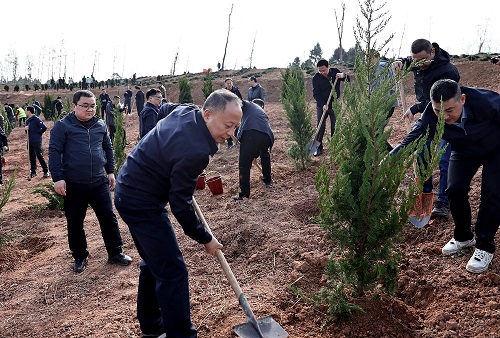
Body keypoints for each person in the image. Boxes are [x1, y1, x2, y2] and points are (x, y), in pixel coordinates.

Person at [114, 89, 242, 338]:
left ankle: (152, 327)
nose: (231, 134)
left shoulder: (187, 110)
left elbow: (164, 110)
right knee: (173, 271)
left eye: (236, 127)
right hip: (141, 202)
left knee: (154, 263)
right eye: (228, 125)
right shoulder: (195, 151)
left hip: (129, 185)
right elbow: (180, 204)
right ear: (207, 114)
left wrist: (171, 164)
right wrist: (205, 238)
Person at [390, 79, 500, 274]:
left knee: (492, 193)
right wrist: (389, 160)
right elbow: (413, 137)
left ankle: (484, 246)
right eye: (438, 110)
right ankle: (463, 237)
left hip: (495, 149)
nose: (444, 116)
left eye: (449, 110)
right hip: (463, 150)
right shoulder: (432, 115)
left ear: (462, 99)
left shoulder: (486, 101)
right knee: (454, 189)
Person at [48, 89, 132, 273]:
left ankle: (115, 252)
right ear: (74, 106)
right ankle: (80, 256)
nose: (89, 109)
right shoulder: (63, 126)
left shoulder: (100, 125)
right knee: (75, 222)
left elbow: (107, 148)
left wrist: (110, 171)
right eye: (84, 106)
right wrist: (58, 178)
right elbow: (54, 152)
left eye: (93, 106)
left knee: (108, 218)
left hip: (98, 182)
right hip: (74, 184)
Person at [392, 39, 460, 217]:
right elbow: (409, 60)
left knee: (445, 161)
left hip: (447, 117)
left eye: (421, 60)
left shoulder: (447, 71)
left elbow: (438, 101)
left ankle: (444, 203)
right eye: (415, 60)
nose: (418, 64)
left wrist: (415, 108)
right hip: (428, 116)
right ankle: (425, 194)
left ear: (432, 51)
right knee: (422, 155)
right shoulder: (419, 61)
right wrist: (400, 62)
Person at [233, 100, 274, 200]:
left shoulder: (243, 104)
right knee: (264, 155)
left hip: (252, 135)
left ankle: (244, 193)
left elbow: (240, 130)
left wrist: (246, 151)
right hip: (266, 135)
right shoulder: (257, 110)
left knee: (244, 164)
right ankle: (268, 181)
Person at [312, 59, 350, 156]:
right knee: (320, 126)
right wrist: (323, 104)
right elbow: (316, 94)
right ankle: (318, 147)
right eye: (320, 70)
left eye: (324, 70)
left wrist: (343, 75)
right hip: (322, 105)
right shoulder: (316, 78)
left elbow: (348, 79)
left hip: (334, 104)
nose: (322, 72)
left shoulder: (335, 72)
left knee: (335, 125)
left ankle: (335, 146)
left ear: (328, 67)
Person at [25, 106, 49, 179]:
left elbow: (44, 127)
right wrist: (26, 129)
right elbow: (27, 132)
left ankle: (45, 170)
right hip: (29, 140)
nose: (25, 112)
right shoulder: (27, 121)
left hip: (36, 140)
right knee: (31, 156)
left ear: (29, 111)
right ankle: (33, 172)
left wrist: (38, 133)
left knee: (39, 155)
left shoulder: (36, 119)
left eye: (26, 111)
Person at [224, 78, 243, 149]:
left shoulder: (236, 91)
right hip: (226, 112)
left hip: (235, 111)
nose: (229, 84)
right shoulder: (224, 92)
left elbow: (240, 100)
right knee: (227, 126)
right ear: (225, 84)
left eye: (230, 83)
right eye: (227, 83)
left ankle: (237, 140)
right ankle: (229, 142)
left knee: (237, 126)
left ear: (232, 83)